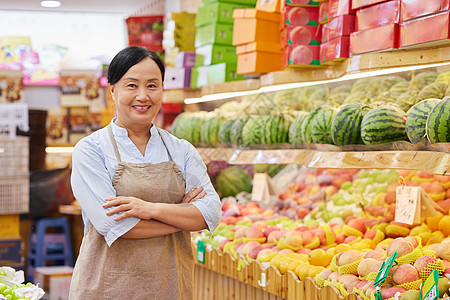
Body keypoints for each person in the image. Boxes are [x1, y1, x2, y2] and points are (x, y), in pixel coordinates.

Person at [69, 46, 222, 299]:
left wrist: (150, 209)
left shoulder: (181, 150)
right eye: (132, 85)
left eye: (152, 85)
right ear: (113, 91)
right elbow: (116, 226)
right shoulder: (90, 150)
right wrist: (182, 216)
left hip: (169, 287)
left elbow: (210, 214)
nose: (143, 96)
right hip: (106, 289)